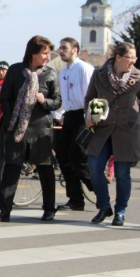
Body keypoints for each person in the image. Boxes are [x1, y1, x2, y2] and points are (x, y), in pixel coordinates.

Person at [84, 42, 140, 226]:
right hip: (103, 129)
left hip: (127, 132)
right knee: (94, 167)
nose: (133, 61)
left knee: (122, 173)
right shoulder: (99, 74)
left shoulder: (137, 76)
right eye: (130, 57)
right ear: (118, 57)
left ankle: (120, 211)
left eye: (135, 58)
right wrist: (88, 115)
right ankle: (104, 206)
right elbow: (90, 98)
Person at [0, 36, 61, 222]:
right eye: (44, 52)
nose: (47, 56)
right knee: (11, 168)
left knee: (45, 169)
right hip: (17, 128)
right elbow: (5, 98)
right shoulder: (14, 71)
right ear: (32, 52)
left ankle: (49, 209)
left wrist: (44, 101)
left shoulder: (51, 74)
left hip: (40, 129)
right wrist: (14, 118)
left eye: (48, 53)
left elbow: (58, 101)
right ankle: (3, 210)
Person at [52, 37, 94, 212]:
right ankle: (75, 199)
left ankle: (98, 190)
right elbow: (63, 99)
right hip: (68, 117)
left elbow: (91, 95)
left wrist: (91, 119)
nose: (61, 51)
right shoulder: (62, 72)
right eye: (60, 48)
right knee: (63, 158)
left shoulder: (84, 69)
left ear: (75, 49)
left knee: (78, 159)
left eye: (64, 48)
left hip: (83, 117)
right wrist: (56, 115)